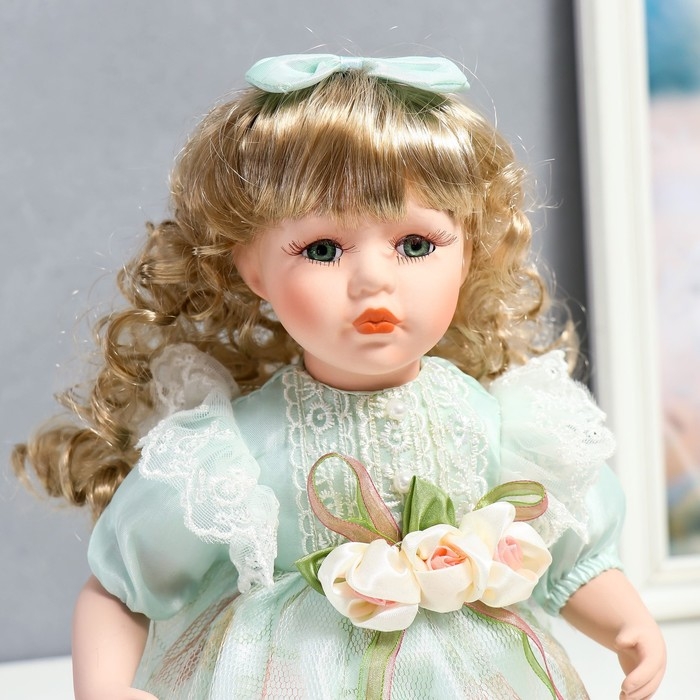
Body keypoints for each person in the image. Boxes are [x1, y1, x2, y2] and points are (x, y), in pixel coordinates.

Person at [14, 54, 666, 699]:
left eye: (416, 245)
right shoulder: (234, 453)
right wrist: (103, 684)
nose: (373, 279)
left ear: (468, 250)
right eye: (323, 249)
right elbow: (122, 588)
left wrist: (628, 625)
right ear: (253, 268)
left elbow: (568, 552)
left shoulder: (496, 423)